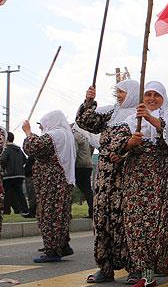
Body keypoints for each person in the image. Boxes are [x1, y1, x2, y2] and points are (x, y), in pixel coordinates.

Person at [118, 81, 168, 287]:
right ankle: (147, 273)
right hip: (138, 179)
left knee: (166, 222)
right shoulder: (131, 120)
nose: (151, 98)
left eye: (156, 95)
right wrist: (130, 143)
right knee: (139, 224)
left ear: (163, 98)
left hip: (163, 177)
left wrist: (150, 119)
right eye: (147, 94)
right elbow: (115, 147)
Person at [76, 80, 140, 283]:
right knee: (103, 218)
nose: (118, 96)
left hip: (128, 173)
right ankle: (105, 267)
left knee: (127, 220)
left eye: (122, 92)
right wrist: (89, 100)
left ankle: (136, 268)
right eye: (117, 92)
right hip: (105, 176)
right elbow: (86, 122)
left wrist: (126, 151)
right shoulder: (111, 112)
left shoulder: (140, 116)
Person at [22, 111, 76, 263]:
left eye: (42, 125)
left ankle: (52, 250)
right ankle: (63, 245)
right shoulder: (65, 134)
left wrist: (28, 132)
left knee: (49, 215)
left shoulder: (55, 135)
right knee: (61, 215)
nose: (42, 128)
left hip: (52, 183)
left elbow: (33, 147)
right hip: (61, 181)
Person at [71, 123, 98, 217]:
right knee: (87, 189)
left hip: (79, 165)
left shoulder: (75, 135)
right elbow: (92, 147)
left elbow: (74, 151)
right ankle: (93, 211)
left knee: (72, 188)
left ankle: (67, 212)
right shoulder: (86, 136)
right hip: (88, 164)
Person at [1, 132, 28, 216]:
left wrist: (3, 168)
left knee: (6, 194)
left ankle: (6, 211)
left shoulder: (7, 149)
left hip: (8, 175)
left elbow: (2, 160)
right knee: (20, 193)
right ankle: (25, 210)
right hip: (19, 174)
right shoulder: (19, 149)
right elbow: (24, 159)